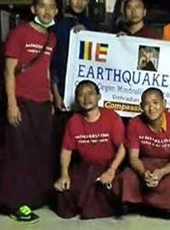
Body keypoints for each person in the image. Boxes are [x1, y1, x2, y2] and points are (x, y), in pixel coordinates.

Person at [0, 0, 58, 223]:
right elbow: (8, 71)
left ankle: (33, 197)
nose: (46, 11)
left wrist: (52, 99)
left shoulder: (51, 38)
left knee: (39, 153)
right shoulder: (20, 33)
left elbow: (46, 70)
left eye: (51, 7)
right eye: (42, 6)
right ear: (33, 9)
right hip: (21, 100)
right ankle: (15, 204)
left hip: (43, 102)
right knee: (18, 153)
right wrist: (11, 104)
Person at [53, 80, 126, 219]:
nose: (86, 98)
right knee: (62, 193)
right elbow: (66, 150)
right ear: (77, 99)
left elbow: (122, 148)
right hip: (85, 166)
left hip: (108, 166)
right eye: (81, 95)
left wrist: (111, 170)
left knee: (100, 192)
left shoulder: (112, 117)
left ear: (98, 97)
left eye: (90, 93)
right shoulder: (74, 121)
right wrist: (64, 174)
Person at [121, 88, 170, 217]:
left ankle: (165, 207)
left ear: (164, 104)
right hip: (146, 162)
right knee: (126, 177)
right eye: (146, 104)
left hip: (169, 163)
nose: (151, 108)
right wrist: (143, 172)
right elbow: (133, 157)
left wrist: (162, 172)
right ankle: (142, 204)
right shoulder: (134, 123)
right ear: (141, 106)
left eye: (155, 103)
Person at [51, 0, 98, 112]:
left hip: (88, 88)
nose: (79, 2)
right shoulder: (57, 25)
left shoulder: (92, 25)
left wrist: (87, 34)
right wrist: (55, 94)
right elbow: (53, 63)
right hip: (63, 85)